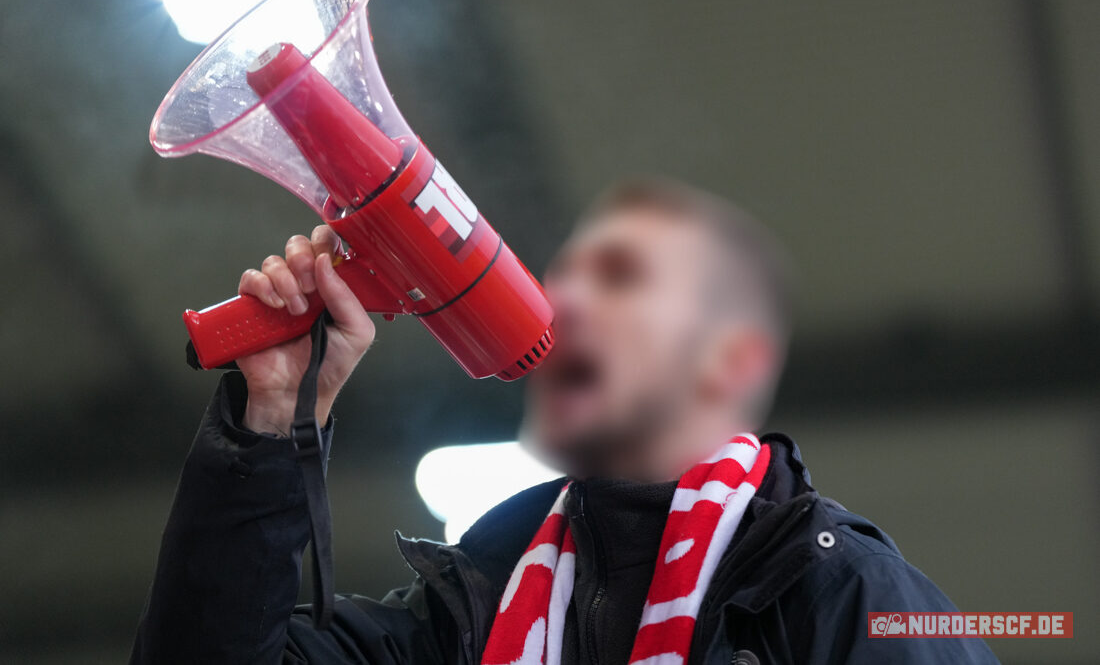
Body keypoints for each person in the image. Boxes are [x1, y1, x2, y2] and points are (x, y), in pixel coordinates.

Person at [131, 181, 999, 664]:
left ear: (731, 360)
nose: (567, 297)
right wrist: (275, 415)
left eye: (620, 277)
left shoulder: (847, 597)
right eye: (566, 275)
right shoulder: (471, 607)